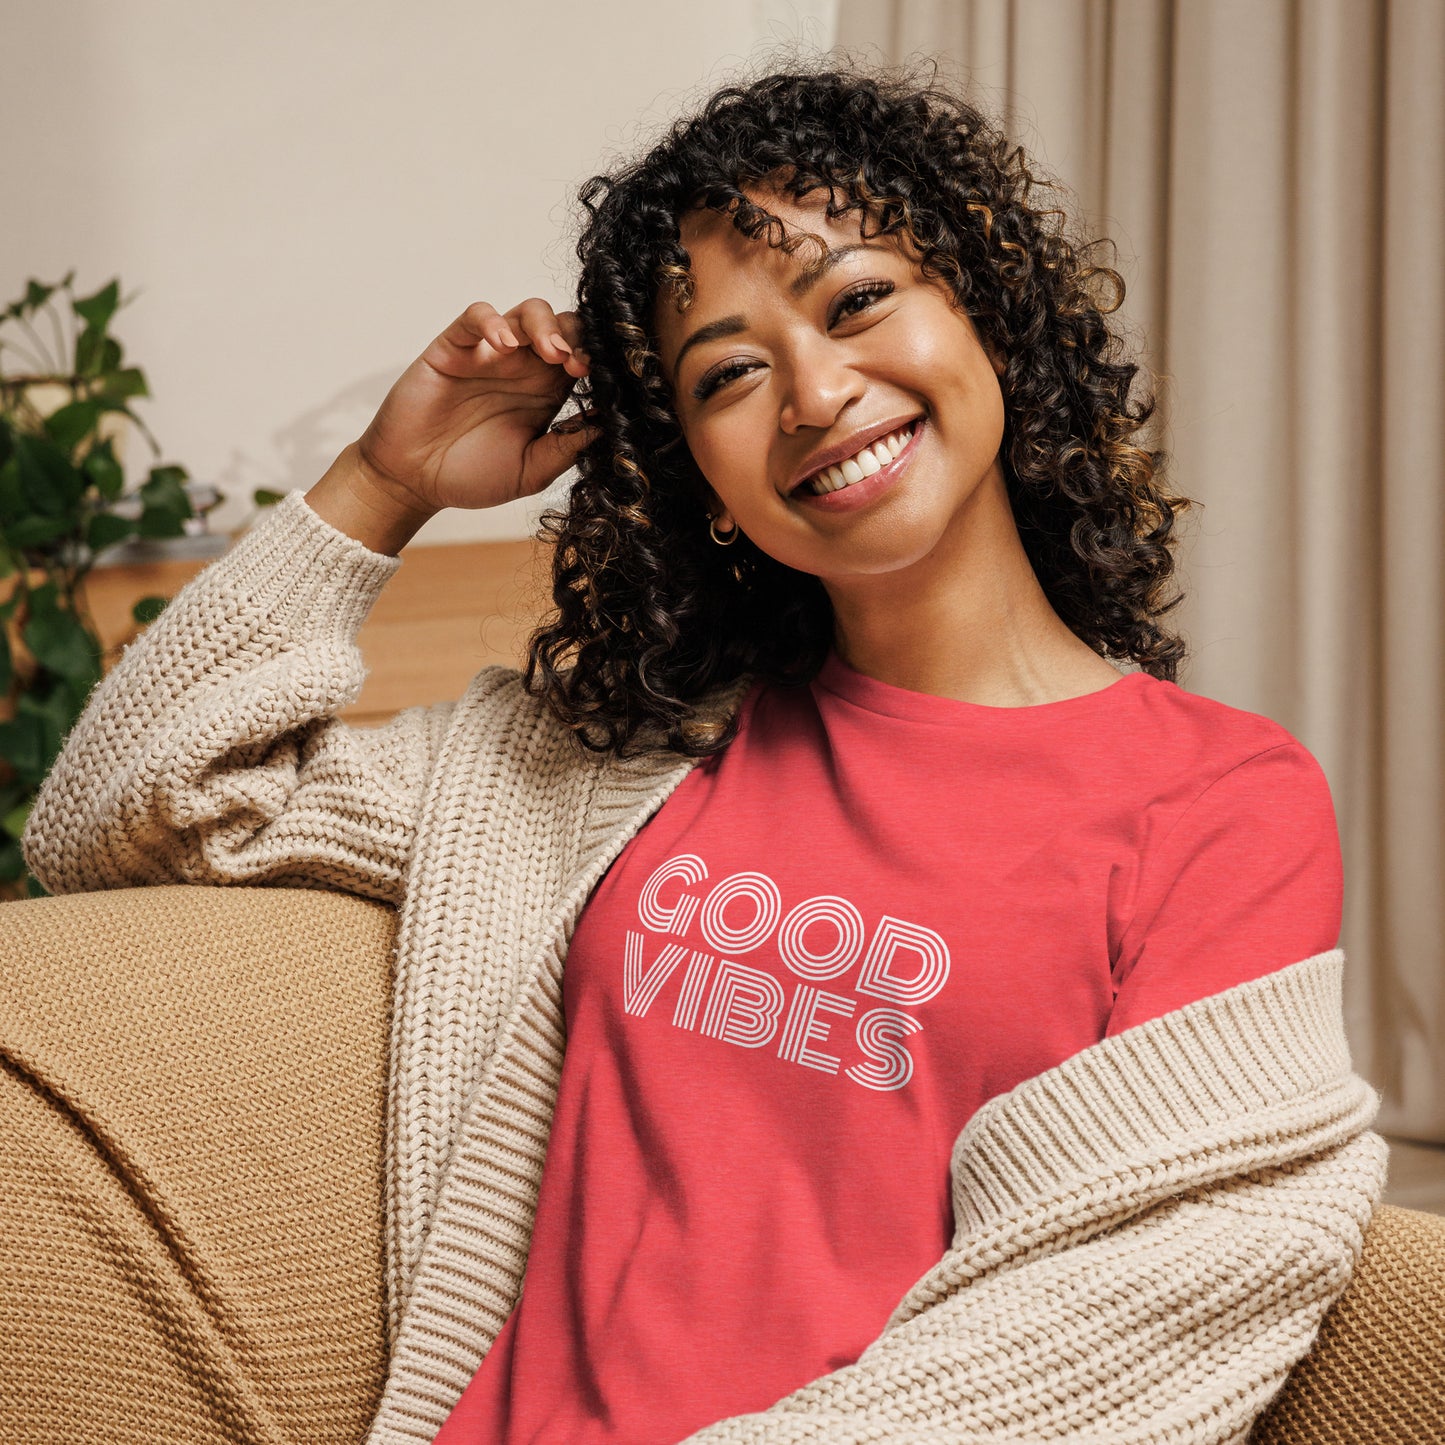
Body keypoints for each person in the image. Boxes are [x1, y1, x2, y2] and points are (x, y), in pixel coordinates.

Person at [15, 58, 1386, 1445]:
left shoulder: (1216, 799)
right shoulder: (615, 763)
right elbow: (128, 813)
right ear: (703, 481)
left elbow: (1133, 1301)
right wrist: (382, 484)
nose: (811, 390)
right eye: (728, 371)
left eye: (858, 300)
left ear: (986, 314)